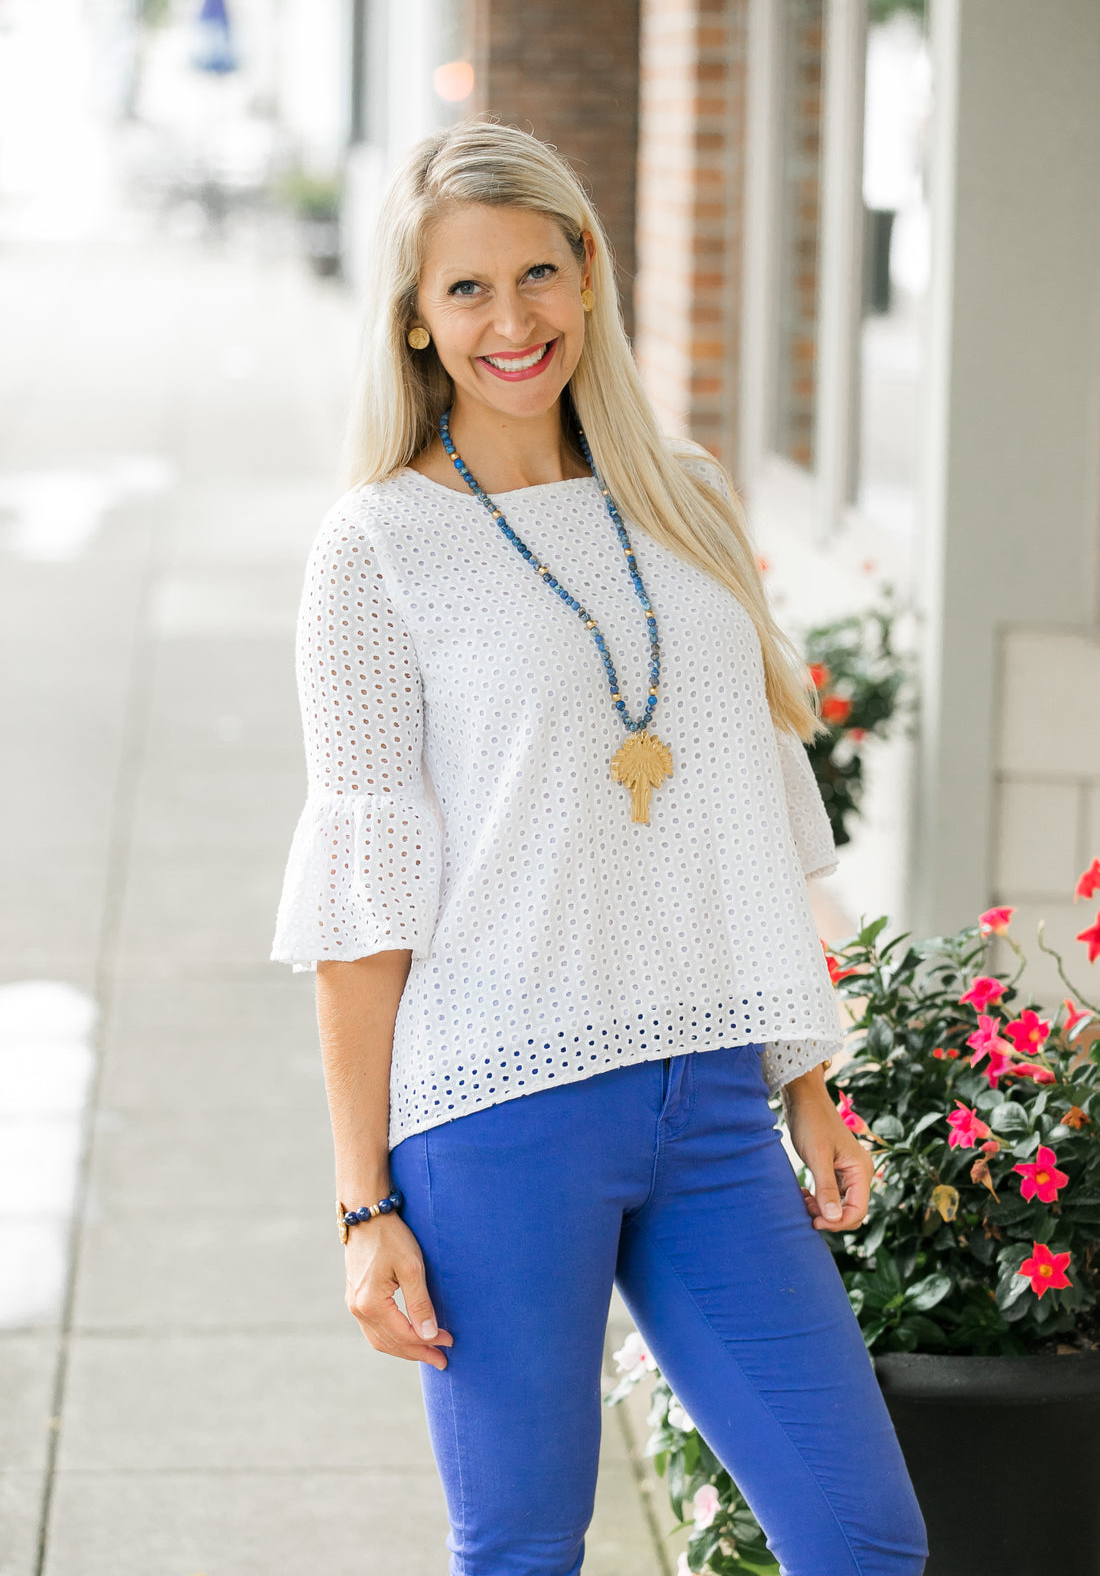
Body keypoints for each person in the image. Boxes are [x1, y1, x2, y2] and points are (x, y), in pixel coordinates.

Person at [271, 122, 927, 1576]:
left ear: (591, 275)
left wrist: (807, 1071)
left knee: (864, 1533)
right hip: (496, 1115)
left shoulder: (685, 494)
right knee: (523, 1548)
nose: (514, 322)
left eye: (540, 274)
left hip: (704, 1098)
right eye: (467, 291)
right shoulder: (376, 545)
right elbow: (364, 901)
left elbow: (750, 810)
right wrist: (361, 1198)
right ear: (417, 322)